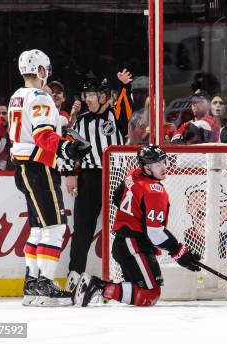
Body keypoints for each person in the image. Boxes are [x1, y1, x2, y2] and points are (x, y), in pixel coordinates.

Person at [9, 49, 91, 306]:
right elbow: (43, 135)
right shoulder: (40, 96)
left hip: (23, 167)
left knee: (38, 228)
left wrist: (63, 135)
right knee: (55, 227)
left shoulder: (17, 95)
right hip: (38, 167)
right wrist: (67, 148)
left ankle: (32, 283)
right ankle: (44, 284)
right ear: (42, 71)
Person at [73, 145, 201, 307]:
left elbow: (116, 197)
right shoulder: (155, 192)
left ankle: (97, 286)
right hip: (134, 245)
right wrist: (177, 251)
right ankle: (97, 286)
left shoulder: (134, 174)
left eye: (164, 162)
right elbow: (155, 232)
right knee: (149, 295)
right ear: (146, 168)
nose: (163, 168)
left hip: (126, 243)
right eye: (157, 165)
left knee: (140, 289)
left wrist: (134, 214)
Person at [65, 72, 133, 292]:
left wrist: (125, 87)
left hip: (116, 177)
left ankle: (129, 275)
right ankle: (74, 276)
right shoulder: (82, 121)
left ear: (104, 96)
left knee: (124, 229)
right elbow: (67, 149)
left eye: (91, 94)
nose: (87, 99)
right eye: (85, 94)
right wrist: (69, 173)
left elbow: (127, 104)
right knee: (82, 229)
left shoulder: (118, 116)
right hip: (90, 178)